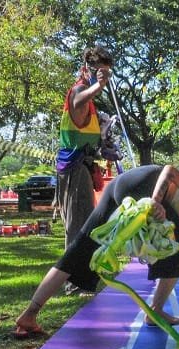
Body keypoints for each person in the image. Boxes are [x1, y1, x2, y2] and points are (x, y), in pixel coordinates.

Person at [12, 164, 179, 338]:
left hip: (121, 186)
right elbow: (169, 171)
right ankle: (156, 311)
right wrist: (155, 199)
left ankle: (29, 315)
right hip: (139, 185)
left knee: (80, 249)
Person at [56, 45, 114, 294]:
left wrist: (104, 145)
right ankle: (72, 282)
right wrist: (97, 87)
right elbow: (79, 99)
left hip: (84, 168)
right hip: (72, 169)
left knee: (87, 224)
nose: (105, 76)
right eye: (101, 71)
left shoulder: (92, 105)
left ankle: (82, 278)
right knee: (77, 225)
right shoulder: (80, 91)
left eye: (107, 73)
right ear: (88, 70)